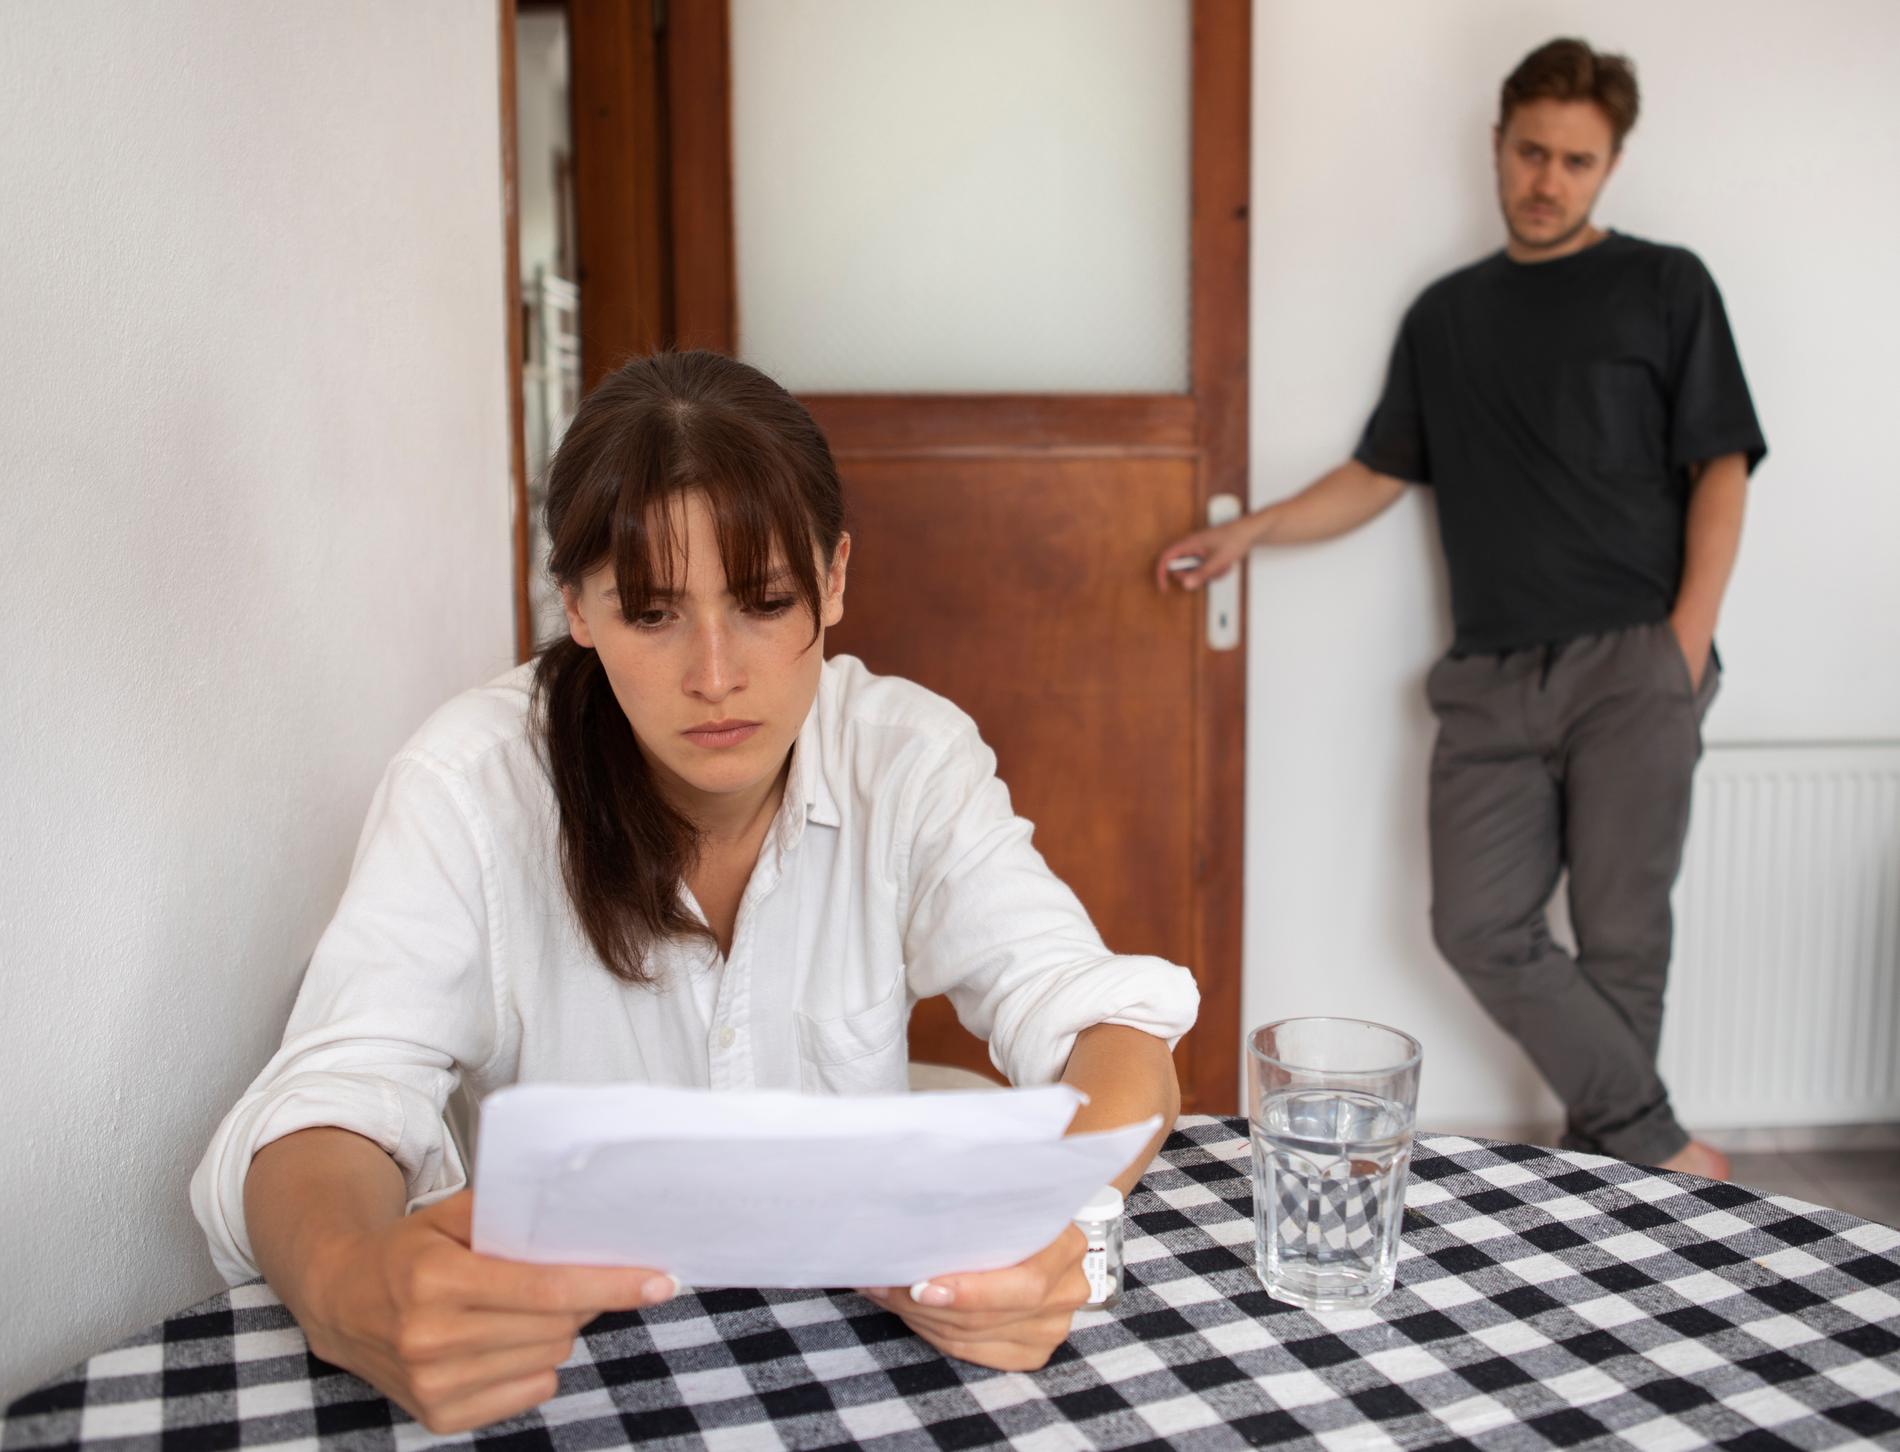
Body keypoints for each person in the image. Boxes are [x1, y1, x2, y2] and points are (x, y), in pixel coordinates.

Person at [193, 350, 1198, 1434]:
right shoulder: (470, 788)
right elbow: (332, 1104)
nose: (715, 675)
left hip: (856, 1362)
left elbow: (1102, 1025)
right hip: (562, 1376)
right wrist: (351, 1286)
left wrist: (1053, 1223)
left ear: (836, 577)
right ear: (577, 607)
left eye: (766, 602)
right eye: (651, 613)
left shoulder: (906, 759)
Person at [1157, 39, 1764, 1180]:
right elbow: (1378, 473)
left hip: (1634, 658)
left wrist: (1681, 649)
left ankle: (1615, 1182)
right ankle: (1658, 1150)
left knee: (1623, 938)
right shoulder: (1447, 316)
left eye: (1576, 161)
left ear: (1609, 165)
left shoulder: (1664, 286)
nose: (1548, 180)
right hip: (1488, 675)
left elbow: (1720, 468)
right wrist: (1251, 531)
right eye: (1531, 152)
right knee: (1476, 922)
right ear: (1497, 144)